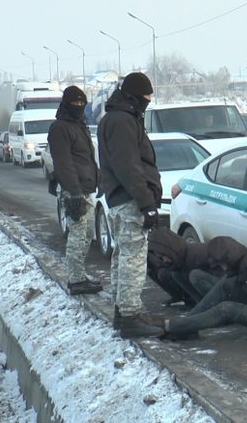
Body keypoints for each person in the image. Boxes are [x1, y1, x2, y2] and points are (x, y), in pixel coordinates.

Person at [98, 72, 164, 338]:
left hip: (119, 199)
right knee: (133, 258)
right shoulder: (124, 121)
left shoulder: (116, 118)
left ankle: (122, 310)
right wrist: (147, 203)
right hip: (130, 201)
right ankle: (130, 316)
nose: (148, 101)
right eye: (146, 97)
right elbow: (129, 168)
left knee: (122, 256)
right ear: (135, 96)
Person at [153, 237, 247, 340]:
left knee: (226, 309)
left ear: (228, 258)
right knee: (226, 285)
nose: (222, 268)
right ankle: (187, 323)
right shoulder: (245, 260)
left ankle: (178, 326)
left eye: (221, 264)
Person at [47, 85, 102, 296]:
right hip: (74, 191)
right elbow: (64, 163)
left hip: (85, 188)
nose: (79, 106)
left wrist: (98, 179)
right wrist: (75, 191)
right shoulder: (60, 128)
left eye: (82, 103)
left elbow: (86, 158)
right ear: (66, 104)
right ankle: (75, 280)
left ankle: (79, 274)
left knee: (87, 233)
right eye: (75, 103)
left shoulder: (80, 125)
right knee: (78, 234)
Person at [146, 227, 213, 308]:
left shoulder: (193, 255)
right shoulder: (178, 255)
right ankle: (189, 300)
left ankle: (201, 303)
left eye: (164, 256)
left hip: (218, 282)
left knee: (193, 275)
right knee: (166, 272)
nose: (164, 259)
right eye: (161, 257)